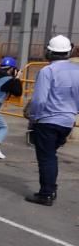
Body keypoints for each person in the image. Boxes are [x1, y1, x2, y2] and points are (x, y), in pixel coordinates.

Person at [24, 35, 79, 206]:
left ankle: (46, 193)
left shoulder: (48, 71)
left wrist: (33, 118)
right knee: (51, 156)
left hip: (48, 120)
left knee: (47, 157)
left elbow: (39, 100)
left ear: (49, 52)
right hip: (67, 121)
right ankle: (50, 188)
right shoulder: (77, 70)